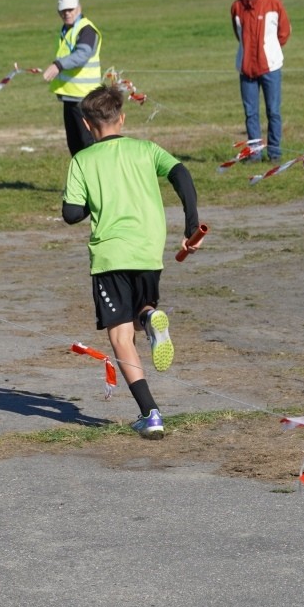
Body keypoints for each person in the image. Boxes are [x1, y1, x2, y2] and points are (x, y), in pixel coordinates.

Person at [60, 86, 201, 439]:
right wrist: (190, 222)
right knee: (141, 312)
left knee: (120, 335)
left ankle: (150, 413)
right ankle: (150, 316)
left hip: (111, 256)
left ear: (88, 126)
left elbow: (71, 213)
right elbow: (180, 172)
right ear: (121, 118)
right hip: (149, 249)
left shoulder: (82, 160)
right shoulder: (146, 149)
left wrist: (96, 200)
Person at [231, 0, 291, 163]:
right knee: (250, 113)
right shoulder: (236, 7)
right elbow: (238, 34)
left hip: (270, 67)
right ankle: (255, 154)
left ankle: (274, 153)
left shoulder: (274, 3)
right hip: (246, 69)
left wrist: (270, 48)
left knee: (273, 111)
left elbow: (284, 32)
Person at [42, 0, 103, 156]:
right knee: (74, 145)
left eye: (70, 9)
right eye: (63, 11)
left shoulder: (87, 30)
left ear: (79, 8)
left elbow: (82, 55)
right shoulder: (66, 30)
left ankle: (95, 180)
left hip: (85, 98)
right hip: (70, 97)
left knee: (87, 143)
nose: (67, 13)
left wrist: (57, 66)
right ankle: (80, 181)